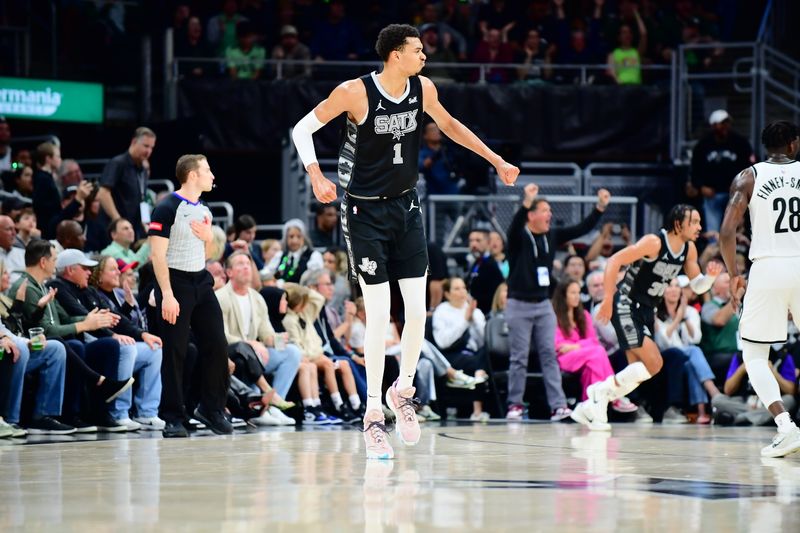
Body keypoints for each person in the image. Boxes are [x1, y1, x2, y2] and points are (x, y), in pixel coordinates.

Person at [291, 23, 519, 459]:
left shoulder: (423, 88)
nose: (424, 57)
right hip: (362, 212)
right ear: (396, 54)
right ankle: (373, 414)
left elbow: (450, 125)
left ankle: (403, 389)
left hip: (405, 206)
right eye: (418, 51)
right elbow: (302, 130)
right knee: (379, 315)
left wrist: (497, 160)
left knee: (417, 311)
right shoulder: (354, 93)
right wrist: (315, 174)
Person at [575, 204, 722, 431]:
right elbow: (614, 261)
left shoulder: (689, 249)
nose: (699, 227)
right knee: (654, 363)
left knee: (639, 372)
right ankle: (599, 394)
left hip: (646, 310)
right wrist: (606, 298)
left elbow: (697, 285)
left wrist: (710, 278)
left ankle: (593, 402)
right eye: (694, 222)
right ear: (677, 223)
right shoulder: (654, 242)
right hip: (626, 303)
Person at [719, 120, 800, 457]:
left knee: (753, 354)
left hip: (766, 267)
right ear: (794, 145)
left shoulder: (748, 177)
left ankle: (785, 427)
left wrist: (734, 274)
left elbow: (726, 232)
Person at [505, 184, 609, 421]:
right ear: (531, 215)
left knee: (549, 355)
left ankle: (559, 406)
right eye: (544, 210)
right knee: (519, 357)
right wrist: (526, 202)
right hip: (518, 304)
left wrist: (599, 208)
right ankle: (515, 405)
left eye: (549, 210)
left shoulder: (551, 235)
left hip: (543, 304)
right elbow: (511, 229)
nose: (549, 214)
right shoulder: (520, 237)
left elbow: (580, 229)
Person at [148, 154, 231, 438]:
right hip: (175, 283)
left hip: (201, 281)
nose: (212, 175)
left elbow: (206, 254)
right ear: (193, 175)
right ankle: (172, 415)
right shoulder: (166, 208)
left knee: (218, 345)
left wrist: (209, 238)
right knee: (176, 351)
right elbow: (156, 255)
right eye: (207, 170)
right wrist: (167, 294)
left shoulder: (205, 210)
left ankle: (210, 408)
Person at [691, 110, 755, 233]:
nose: (725, 126)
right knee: (713, 232)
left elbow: (749, 169)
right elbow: (695, 170)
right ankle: (714, 251)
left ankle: (732, 252)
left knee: (734, 233)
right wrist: (701, 186)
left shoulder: (740, 143)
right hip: (712, 195)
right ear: (713, 125)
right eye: (721, 123)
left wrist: (744, 191)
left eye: (727, 123)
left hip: (735, 195)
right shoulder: (703, 145)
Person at [97, 127, 156, 241]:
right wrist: (118, 221)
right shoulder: (118, 163)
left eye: (151, 147)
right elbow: (103, 193)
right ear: (134, 142)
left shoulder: (143, 169)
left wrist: (145, 223)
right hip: (113, 231)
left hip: (133, 230)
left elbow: (142, 198)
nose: (148, 151)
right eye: (145, 146)